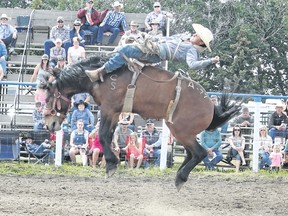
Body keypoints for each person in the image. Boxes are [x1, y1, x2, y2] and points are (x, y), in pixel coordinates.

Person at [86, 23, 219, 82]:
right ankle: (107, 65)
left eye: (197, 35)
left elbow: (192, 65)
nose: (194, 34)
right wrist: (149, 37)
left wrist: (211, 61)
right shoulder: (183, 38)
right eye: (196, 33)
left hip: (155, 53)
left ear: (200, 43)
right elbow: (165, 39)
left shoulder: (191, 50)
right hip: (154, 47)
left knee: (125, 50)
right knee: (126, 45)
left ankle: (101, 72)